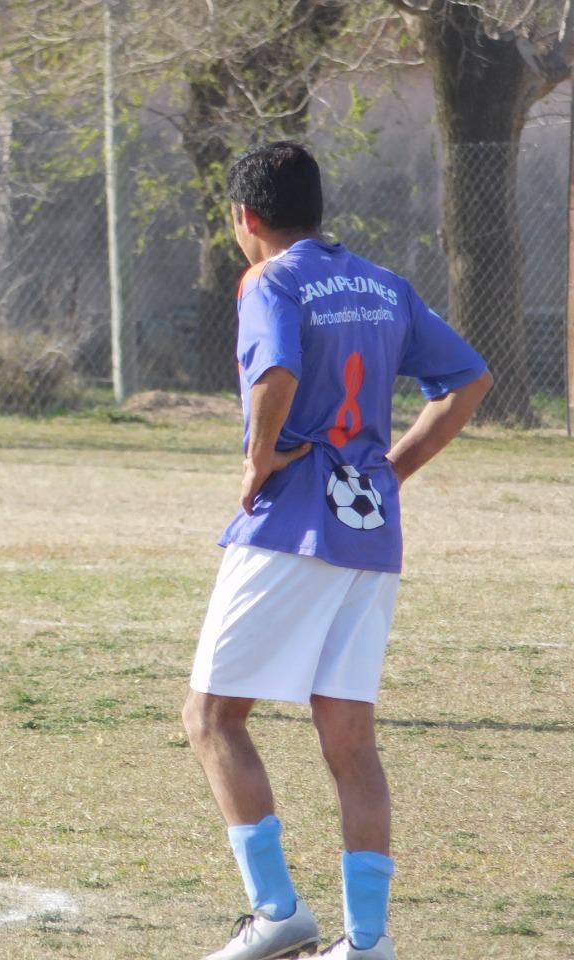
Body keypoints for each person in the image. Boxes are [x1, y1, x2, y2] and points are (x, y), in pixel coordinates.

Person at [181, 142, 493, 960]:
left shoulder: (269, 279)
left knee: (212, 716)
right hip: (369, 531)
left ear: (246, 220)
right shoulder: (383, 284)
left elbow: (275, 370)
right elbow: (468, 380)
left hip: (291, 524)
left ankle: (276, 909)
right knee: (349, 739)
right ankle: (368, 941)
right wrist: (394, 470)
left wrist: (257, 458)